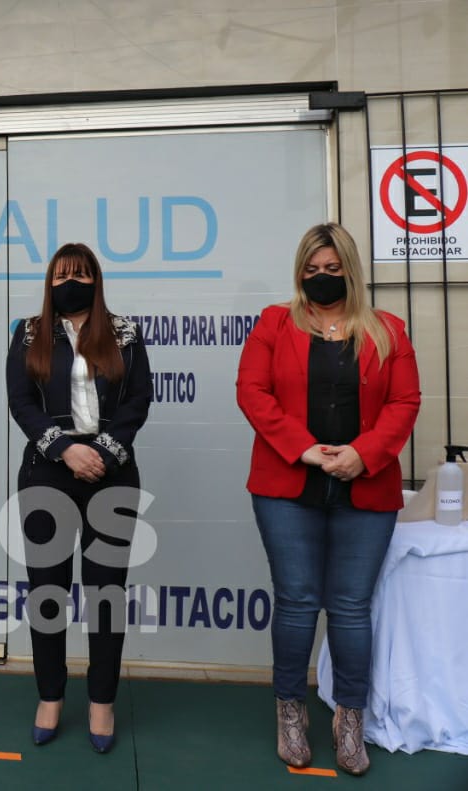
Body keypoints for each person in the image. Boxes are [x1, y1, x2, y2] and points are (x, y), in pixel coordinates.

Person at [236, 222, 420, 776]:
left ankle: (350, 719)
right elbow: (252, 391)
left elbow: (405, 401)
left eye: (333, 269)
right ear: (300, 273)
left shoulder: (388, 330)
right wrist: (305, 449)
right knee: (296, 601)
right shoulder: (273, 323)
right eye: (312, 269)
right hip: (288, 487)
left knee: (351, 607)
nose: (321, 278)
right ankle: (290, 712)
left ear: (350, 271)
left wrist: (364, 453)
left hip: (366, 487)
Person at [6, 242, 152, 753]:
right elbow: (21, 402)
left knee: (106, 593)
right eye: (62, 275)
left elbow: (138, 401)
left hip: (112, 474)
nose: (72, 283)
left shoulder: (125, 332)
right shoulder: (28, 332)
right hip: (47, 471)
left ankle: (101, 700)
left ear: (97, 280)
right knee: (47, 591)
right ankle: (50, 696)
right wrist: (65, 449)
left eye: (82, 275)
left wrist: (103, 453)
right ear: (50, 282)